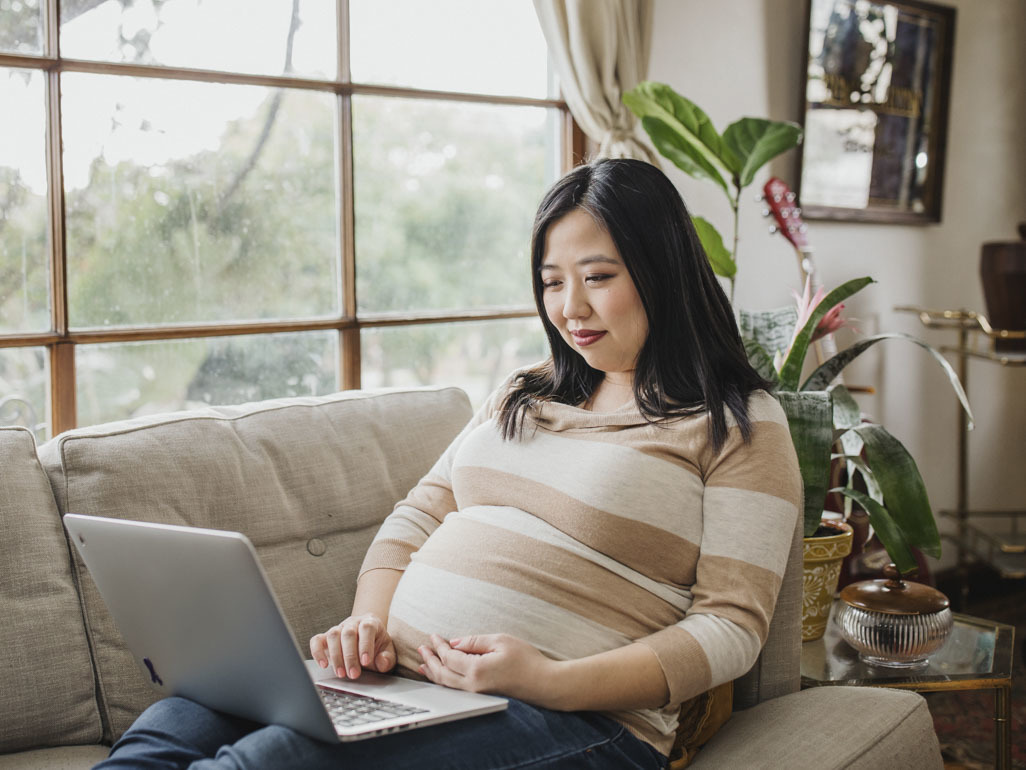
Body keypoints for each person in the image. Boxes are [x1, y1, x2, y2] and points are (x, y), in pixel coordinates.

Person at [96, 158, 801, 769]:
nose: (569, 307)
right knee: (171, 728)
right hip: (396, 687)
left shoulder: (737, 423)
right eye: (552, 281)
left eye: (598, 276)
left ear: (662, 270)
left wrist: (552, 680)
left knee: (268, 764)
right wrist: (366, 624)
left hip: (579, 724)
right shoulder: (526, 390)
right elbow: (417, 515)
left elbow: (731, 627)